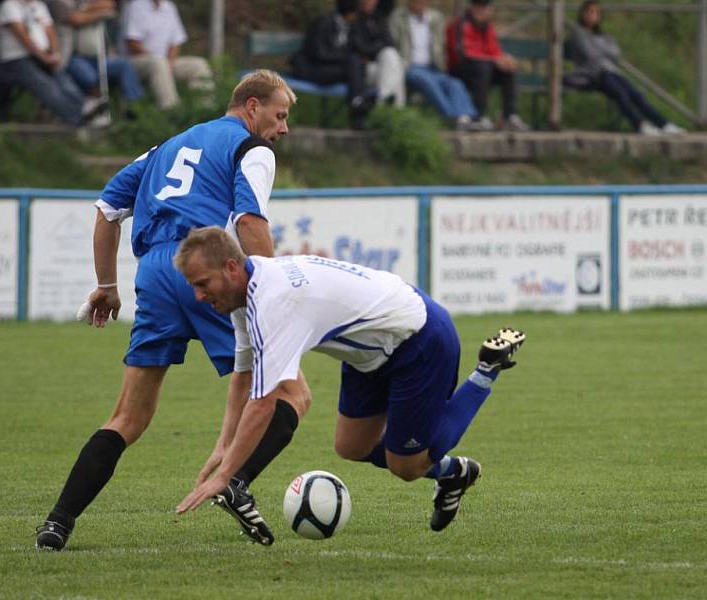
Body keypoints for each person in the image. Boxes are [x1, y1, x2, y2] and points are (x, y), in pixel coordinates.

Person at [35, 70, 310, 551]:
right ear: (251, 107)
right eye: (279, 115)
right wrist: (271, 290)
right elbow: (248, 220)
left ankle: (58, 522)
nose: (283, 129)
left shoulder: (167, 146)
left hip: (156, 273)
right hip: (208, 268)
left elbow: (106, 209)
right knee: (293, 393)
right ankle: (234, 483)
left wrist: (105, 285)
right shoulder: (252, 149)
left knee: (128, 417)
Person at [175, 227, 527, 535]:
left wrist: (226, 478)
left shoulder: (275, 300)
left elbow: (264, 401)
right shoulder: (245, 293)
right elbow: (245, 371)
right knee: (351, 446)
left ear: (232, 267)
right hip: (369, 351)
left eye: (202, 284)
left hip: (418, 338)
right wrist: (224, 446)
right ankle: (452, 473)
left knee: (406, 466)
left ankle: (486, 370)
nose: (199, 296)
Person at [565, 0, 686, 136]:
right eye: (590, 12)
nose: (593, 16)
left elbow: (616, 53)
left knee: (636, 94)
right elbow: (591, 54)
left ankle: (664, 125)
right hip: (591, 76)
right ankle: (640, 125)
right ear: (582, 14)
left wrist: (602, 49)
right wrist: (606, 49)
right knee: (620, 94)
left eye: (596, 13)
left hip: (610, 74)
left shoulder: (602, 35)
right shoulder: (579, 34)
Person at [0, 0, 102, 126]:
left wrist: (54, 55)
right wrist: (44, 58)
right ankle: (78, 118)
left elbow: (51, 31)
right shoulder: (8, 6)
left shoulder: (38, 6)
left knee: (62, 78)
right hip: (16, 60)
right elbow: (23, 37)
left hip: (41, 56)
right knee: (45, 84)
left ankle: (86, 108)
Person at [47, 0, 144, 121]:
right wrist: (99, 14)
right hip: (70, 57)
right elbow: (75, 19)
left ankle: (135, 109)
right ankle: (92, 112)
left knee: (124, 66)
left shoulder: (79, 3)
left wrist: (89, 10)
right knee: (89, 77)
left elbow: (109, 5)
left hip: (98, 58)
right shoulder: (57, 3)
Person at [389, 0, 478, 131]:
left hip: (432, 68)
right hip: (409, 66)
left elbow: (441, 45)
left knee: (455, 83)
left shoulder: (436, 18)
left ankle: (465, 118)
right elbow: (393, 43)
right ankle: (452, 117)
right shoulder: (398, 17)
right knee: (428, 82)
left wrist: (441, 65)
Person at [446, 0, 529, 131]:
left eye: (486, 7)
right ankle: (478, 116)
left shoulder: (487, 27)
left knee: (508, 69)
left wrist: (504, 59)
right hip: (460, 69)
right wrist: (493, 60)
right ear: (473, 8)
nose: (484, 10)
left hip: (483, 69)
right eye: (480, 7)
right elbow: (463, 54)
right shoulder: (460, 25)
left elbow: (494, 50)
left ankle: (509, 116)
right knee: (483, 68)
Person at [290, 0, 371, 129]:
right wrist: (345, 59)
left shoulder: (349, 26)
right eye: (355, 13)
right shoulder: (323, 23)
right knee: (353, 65)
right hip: (311, 69)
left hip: (329, 69)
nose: (357, 16)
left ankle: (357, 106)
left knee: (356, 65)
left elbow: (357, 47)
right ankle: (358, 104)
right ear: (349, 12)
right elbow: (317, 54)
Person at [121, 0, 214, 110]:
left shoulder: (169, 7)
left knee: (199, 65)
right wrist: (159, 59)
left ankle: (204, 110)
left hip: (165, 60)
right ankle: (171, 111)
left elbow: (176, 42)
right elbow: (132, 43)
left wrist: (170, 62)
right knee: (159, 63)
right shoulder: (136, 6)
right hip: (137, 61)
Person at [351, 0, 406, 108]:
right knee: (396, 68)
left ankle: (383, 103)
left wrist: (375, 47)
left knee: (391, 56)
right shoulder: (354, 20)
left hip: (381, 65)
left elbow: (390, 43)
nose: (367, 2)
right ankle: (395, 110)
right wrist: (380, 45)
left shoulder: (380, 19)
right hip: (363, 70)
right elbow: (360, 48)